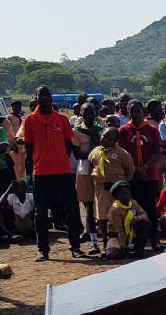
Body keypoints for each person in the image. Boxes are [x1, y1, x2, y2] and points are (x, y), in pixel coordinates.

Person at [23, 86, 87, 261]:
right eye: (40, 95)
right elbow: (29, 147)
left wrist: (58, 159)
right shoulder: (29, 120)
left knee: (72, 209)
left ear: (51, 98)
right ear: (36, 98)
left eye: (47, 95)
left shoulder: (62, 119)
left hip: (63, 172)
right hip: (41, 173)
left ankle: (75, 246)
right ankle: (43, 250)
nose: (44, 98)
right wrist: (41, 160)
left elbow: (68, 145)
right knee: (40, 213)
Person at [118, 100, 163, 250]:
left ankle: (154, 238)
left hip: (150, 174)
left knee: (150, 206)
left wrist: (145, 167)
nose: (135, 114)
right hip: (132, 175)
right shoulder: (123, 131)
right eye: (132, 112)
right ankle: (135, 240)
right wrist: (137, 169)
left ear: (143, 112)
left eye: (138, 111)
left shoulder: (151, 129)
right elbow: (123, 154)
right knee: (132, 207)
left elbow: (157, 151)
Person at [89, 128, 136, 251]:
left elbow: (130, 170)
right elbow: (90, 169)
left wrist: (122, 184)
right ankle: (106, 243)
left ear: (115, 141)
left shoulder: (122, 153)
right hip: (102, 191)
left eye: (110, 139)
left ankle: (126, 242)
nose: (105, 139)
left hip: (118, 192)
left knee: (121, 216)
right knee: (103, 218)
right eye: (104, 136)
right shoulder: (94, 153)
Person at [72, 102, 104, 254]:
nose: (89, 117)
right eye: (86, 114)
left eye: (92, 113)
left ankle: (107, 240)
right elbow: (78, 154)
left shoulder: (101, 130)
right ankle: (93, 242)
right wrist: (94, 153)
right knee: (89, 207)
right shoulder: (77, 132)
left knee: (103, 205)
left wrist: (96, 136)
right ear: (81, 115)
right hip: (85, 172)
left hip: (101, 171)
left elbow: (106, 147)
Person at [104, 181, 150, 260]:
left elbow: (144, 214)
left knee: (146, 222)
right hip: (117, 236)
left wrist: (135, 219)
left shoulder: (133, 203)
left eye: (128, 193)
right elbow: (119, 230)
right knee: (112, 255)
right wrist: (123, 247)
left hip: (132, 233)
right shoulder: (114, 210)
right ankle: (123, 247)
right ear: (116, 196)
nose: (126, 196)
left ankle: (139, 248)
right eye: (122, 195)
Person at [6, 101, 27, 179]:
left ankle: (21, 181)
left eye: (19, 107)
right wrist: (13, 144)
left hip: (22, 145)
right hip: (15, 146)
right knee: (16, 166)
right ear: (12, 108)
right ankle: (16, 181)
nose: (18, 109)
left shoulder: (21, 117)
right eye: (16, 107)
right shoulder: (9, 117)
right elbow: (9, 131)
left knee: (23, 166)